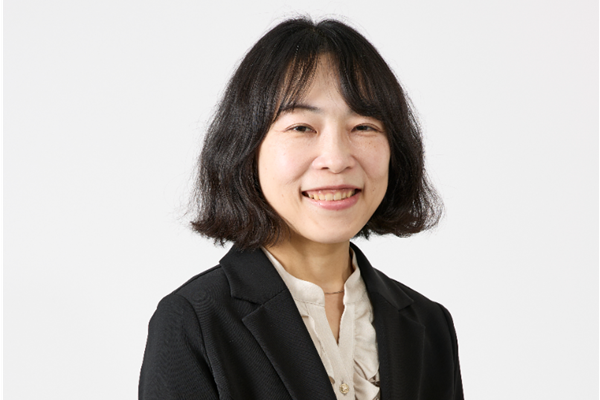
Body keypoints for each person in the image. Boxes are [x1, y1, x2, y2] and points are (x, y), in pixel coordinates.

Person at [139, 17, 463, 400]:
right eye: (302, 128)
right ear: (247, 147)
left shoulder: (429, 325)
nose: (336, 159)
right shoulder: (194, 321)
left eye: (363, 126)